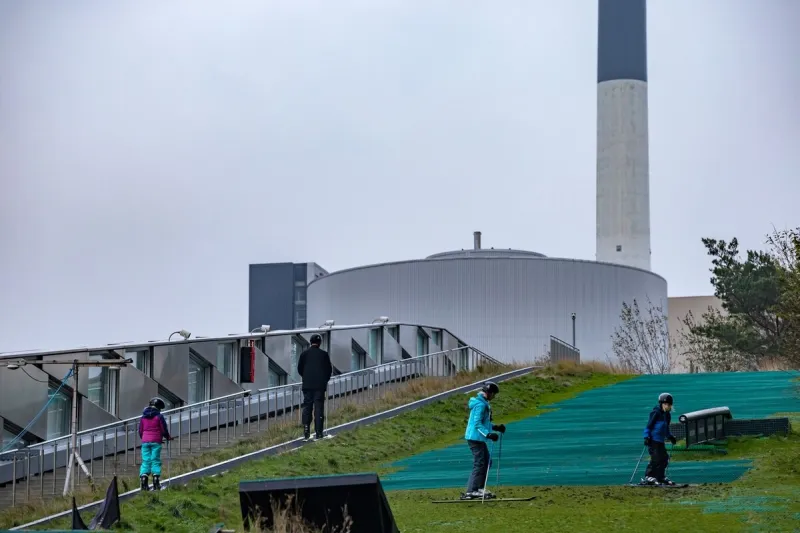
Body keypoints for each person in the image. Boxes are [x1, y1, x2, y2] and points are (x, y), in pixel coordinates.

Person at [461, 381, 506, 500]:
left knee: (487, 461)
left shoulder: (484, 403)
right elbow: (477, 424)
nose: (494, 396)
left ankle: (479, 488)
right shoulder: (480, 405)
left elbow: (484, 423)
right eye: (493, 394)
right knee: (480, 463)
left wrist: (495, 427)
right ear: (488, 393)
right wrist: (489, 435)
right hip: (474, 438)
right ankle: (471, 491)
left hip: (478, 438)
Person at [297, 334, 333, 441]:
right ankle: (319, 432)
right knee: (318, 408)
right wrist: (324, 380)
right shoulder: (324, 355)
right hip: (319, 386)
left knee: (307, 407)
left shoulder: (304, 354)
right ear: (320, 343)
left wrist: (306, 377)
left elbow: (300, 369)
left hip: (307, 385)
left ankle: (306, 430)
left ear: (310, 342)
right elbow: (328, 370)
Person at [640, 392, 677, 486]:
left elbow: (666, 428)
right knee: (656, 458)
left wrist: (670, 437)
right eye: (666, 404)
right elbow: (649, 426)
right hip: (653, 440)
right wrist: (646, 436)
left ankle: (660, 476)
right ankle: (649, 476)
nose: (668, 406)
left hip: (660, 441)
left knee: (664, 458)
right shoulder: (655, 413)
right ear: (661, 404)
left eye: (669, 404)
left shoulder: (667, 415)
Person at [138, 397, 172, 491]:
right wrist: (167, 437)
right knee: (155, 460)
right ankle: (156, 482)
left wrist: (145, 438)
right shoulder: (159, 417)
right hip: (156, 442)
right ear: (159, 408)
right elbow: (163, 429)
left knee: (146, 461)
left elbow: (140, 431)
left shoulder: (143, 417)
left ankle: (144, 482)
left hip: (145, 441)